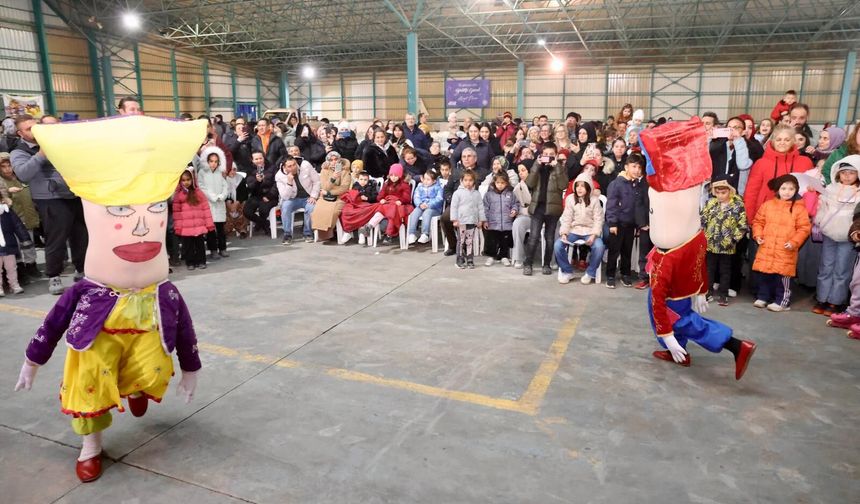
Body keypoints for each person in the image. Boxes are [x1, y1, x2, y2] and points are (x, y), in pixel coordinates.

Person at [15, 115, 203, 482]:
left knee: (152, 366)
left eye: (154, 210)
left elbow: (184, 328)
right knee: (90, 384)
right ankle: (92, 447)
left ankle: (135, 386)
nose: (140, 225)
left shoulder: (166, 293)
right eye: (120, 211)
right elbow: (53, 323)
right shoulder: (85, 291)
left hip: (147, 315)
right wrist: (32, 360)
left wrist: (191, 366)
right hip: (98, 329)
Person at [641, 117, 757, 380]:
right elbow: (699, 253)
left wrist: (665, 334)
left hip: (669, 255)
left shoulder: (664, 188)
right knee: (677, 311)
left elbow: (659, 301)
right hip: (687, 247)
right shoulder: (691, 186)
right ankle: (677, 349)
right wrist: (701, 289)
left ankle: (735, 346)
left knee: (676, 317)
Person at [10, 114, 88, 294]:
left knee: (81, 236)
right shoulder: (19, 151)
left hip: (74, 195)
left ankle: (81, 269)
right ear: (20, 133)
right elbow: (23, 174)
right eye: (28, 129)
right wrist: (40, 154)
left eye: (35, 126)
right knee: (56, 239)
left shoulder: (58, 143)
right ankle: (54, 275)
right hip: (50, 199)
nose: (34, 130)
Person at [751, 174, 812, 312]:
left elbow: (804, 228)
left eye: (791, 188)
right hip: (767, 247)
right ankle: (763, 297)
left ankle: (782, 301)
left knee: (782, 278)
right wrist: (758, 235)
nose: (787, 191)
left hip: (785, 249)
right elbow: (758, 222)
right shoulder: (767, 205)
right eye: (783, 188)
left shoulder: (799, 208)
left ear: (796, 190)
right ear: (778, 190)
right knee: (765, 274)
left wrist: (794, 242)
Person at [812, 155, 860, 315]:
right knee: (825, 267)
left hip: (848, 238)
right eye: (844, 172)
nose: (847, 176)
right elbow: (821, 208)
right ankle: (822, 298)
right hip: (829, 234)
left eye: (851, 173)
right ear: (838, 173)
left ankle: (836, 301)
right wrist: (820, 221)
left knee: (842, 269)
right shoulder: (830, 189)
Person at [522, 143, 568, 276]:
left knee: (549, 238)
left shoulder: (561, 168)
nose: (548, 157)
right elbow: (529, 183)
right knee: (534, 237)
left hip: (553, 209)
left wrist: (557, 167)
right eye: (545, 155)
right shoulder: (537, 167)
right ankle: (528, 263)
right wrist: (536, 165)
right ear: (541, 155)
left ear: (556, 155)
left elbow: (563, 185)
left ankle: (547, 264)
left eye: (551, 155)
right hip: (538, 208)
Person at [701, 179, 748, 306]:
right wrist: (704, 236)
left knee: (725, 271)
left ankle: (723, 295)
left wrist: (734, 239)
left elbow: (743, 226)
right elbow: (702, 220)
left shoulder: (737, 205)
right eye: (718, 192)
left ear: (730, 191)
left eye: (723, 192)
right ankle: (708, 292)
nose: (720, 195)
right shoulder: (710, 203)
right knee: (709, 269)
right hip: (711, 244)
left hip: (727, 245)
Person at [554, 173, 605, 284]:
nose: (579, 188)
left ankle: (590, 273)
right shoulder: (570, 199)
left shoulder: (595, 200)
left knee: (599, 246)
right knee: (558, 245)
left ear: (588, 187)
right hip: (574, 230)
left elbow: (598, 220)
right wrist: (564, 233)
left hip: (590, 231)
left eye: (582, 186)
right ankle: (567, 271)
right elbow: (567, 218)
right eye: (577, 186)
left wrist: (594, 235)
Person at [604, 153, 646, 288]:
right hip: (618, 224)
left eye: (639, 167)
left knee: (627, 250)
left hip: (631, 224)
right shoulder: (616, 184)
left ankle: (625, 274)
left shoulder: (638, 185)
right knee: (614, 251)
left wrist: (639, 223)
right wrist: (612, 223)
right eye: (634, 166)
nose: (637, 170)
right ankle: (610, 275)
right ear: (626, 167)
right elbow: (611, 205)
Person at [0, 152, 40, 281]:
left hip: (28, 217)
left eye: (9, 165)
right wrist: (7, 193)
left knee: (29, 243)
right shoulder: (2, 183)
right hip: (12, 221)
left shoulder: (22, 178)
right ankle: (19, 268)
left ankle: (31, 265)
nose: (7, 169)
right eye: (3, 166)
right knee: (15, 245)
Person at [174, 168, 214, 270]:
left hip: (199, 225)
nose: (186, 182)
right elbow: (177, 213)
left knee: (200, 245)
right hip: (186, 227)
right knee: (188, 246)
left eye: (188, 179)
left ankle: (201, 261)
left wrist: (209, 224)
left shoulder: (198, 192)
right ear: (180, 181)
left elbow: (206, 208)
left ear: (192, 180)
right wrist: (178, 227)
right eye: (183, 180)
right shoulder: (178, 195)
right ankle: (190, 262)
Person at [194, 145, 230, 260]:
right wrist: (213, 197)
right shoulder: (202, 172)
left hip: (219, 204)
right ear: (207, 161)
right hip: (208, 204)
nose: (213, 163)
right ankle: (213, 250)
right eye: (211, 161)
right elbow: (201, 187)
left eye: (216, 161)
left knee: (220, 229)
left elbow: (226, 186)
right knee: (210, 230)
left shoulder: (220, 172)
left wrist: (222, 196)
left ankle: (222, 248)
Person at [276, 154, 320, 245]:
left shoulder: (305, 165)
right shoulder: (279, 176)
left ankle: (308, 233)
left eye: (294, 164)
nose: (293, 167)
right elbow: (284, 197)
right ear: (284, 167)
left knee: (311, 209)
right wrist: (289, 183)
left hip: (308, 196)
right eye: (289, 166)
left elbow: (317, 181)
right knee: (285, 207)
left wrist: (314, 196)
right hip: (292, 199)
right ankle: (287, 234)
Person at [365, 164, 412, 245]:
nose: (393, 177)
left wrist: (401, 201)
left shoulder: (404, 185)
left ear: (400, 175)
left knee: (392, 212)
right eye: (391, 175)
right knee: (380, 211)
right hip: (388, 203)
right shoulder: (387, 184)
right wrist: (381, 199)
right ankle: (370, 225)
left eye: (396, 175)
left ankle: (389, 235)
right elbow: (380, 195)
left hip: (398, 205)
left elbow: (407, 197)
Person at [708, 116, 754, 195]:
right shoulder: (717, 145)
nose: (731, 130)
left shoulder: (749, 147)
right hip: (716, 193)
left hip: (737, 194)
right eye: (729, 127)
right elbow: (703, 160)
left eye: (736, 128)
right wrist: (709, 139)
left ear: (743, 132)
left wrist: (738, 140)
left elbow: (743, 165)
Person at [450, 169, 486, 269]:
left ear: (474, 181)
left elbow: (480, 207)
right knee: (461, 240)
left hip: (472, 221)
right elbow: (454, 207)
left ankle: (470, 258)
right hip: (461, 221)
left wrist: (480, 220)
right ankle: (459, 259)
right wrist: (454, 219)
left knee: (470, 240)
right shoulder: (457, 193)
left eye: (470, 180)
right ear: (462, 181)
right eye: (466, 180)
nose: (468, 182)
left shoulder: (476, 194)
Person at [482, 172, 518, 267]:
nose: (500, 185)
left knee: (505, 241)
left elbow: (515, 204)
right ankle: (491, 256)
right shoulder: (489, 195)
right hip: (493, 223)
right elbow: (485, 207)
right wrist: (485, 220)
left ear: (506, 183)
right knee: (491, 240)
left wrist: (514, 210)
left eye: (503, 183)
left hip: (506, 223)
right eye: (498, 183)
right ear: (494, 183)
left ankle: (504, 256)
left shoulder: (511, 194)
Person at [315, 152, 351, 242]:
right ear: (328, 161)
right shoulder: (324, 170)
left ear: (339, 160)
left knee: (334, 211)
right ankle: (323, 234)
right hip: (325, 197)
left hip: (340, 197)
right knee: (318, 209)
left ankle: (330, 233)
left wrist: (328, 192)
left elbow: (344, 188)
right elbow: (324, 186)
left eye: (336, 159)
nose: (334, 162)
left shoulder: (345, 170)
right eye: (331, 160)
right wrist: (332, 179)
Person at [243, 151, 279, 235]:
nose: (259, 160)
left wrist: (269, 196)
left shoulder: (272, 167)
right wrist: (257, 181)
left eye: (260, 158)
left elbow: (277, 183)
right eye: (256, 159)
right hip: (256, 196)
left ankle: (262, 226)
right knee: (247, 211)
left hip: (270, 195)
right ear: (252, 160)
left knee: (264, 209)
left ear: (264, 158)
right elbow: (250, 187)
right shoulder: (249, 170)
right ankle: (265, 224)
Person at [341, 171, 379, 246]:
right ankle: (348, 231)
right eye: (361, 179)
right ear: (358, 179)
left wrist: (367, 198)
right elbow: (351, 195)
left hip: (366, 204)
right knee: (346, 211)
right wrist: (358, 197)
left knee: (363, 212)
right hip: (356, 204)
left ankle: (361, 232)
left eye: (365, 180)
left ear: (368, 180)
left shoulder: (372, 186)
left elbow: (375, 197)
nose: (363, 181)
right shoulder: (355, 186)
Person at [0, 202, 29, 295]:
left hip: (8, 243)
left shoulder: (7, 210)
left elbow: (17, 225)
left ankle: (14, 285)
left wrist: (24, 238)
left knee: (11, 267)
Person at [407, 170, 443, 245]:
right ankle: (412, 234)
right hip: (421, 205)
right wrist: (419, 204)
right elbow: (416, 197)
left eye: (428, 179)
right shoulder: (420, 186)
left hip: (434, 208)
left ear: (434, 181)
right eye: (425, 179)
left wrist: (429, 205)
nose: (425, 181)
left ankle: (425, 234)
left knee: (427, 213)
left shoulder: (438, 188)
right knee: (414, 213)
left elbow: (439, 199)